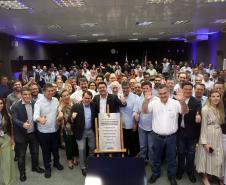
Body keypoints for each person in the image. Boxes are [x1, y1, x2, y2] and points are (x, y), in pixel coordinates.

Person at [142, 84, 189, 185]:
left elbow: (185, 111)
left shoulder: (175, 103)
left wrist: (182, 101)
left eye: (165, 93)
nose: (163, 95)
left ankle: (171, 176)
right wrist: (146, 100)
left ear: (169, 92)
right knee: (155, 157)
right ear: (158, 94)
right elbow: (144, 111)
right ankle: (155, 173)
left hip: (171, 137)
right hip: (156, 137)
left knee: (172, 158)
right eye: (160, 93)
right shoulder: (154, 103)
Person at [11, 87, 44, 181]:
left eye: (29, 94)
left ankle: (35, 167)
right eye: (25, 94)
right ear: (21, 95)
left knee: (35, 152)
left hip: (33, 133)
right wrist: (22, 124)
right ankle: (22, 173)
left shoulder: (34, 104)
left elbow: (37, 115)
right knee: (21, 155)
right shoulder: (16, 106)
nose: (27, 96)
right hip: (21, 135)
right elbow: (14, 119)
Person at [33, 83, 64, 178]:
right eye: (49, 91)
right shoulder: (39, 102)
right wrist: (40, 119)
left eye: (52, 91)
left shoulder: (55, 100)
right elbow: (35, 116)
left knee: (55, 148)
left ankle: (56, 162)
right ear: (44, 92)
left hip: (55, 130)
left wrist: (60, 113)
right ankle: (47, 167)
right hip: (43, 132)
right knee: (46, 151)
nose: (51, 92)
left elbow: (59, 109)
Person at [195, 90, 225, 185]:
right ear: (209, 98)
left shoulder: (220, 109)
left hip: (218, 135)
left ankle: (213, 174)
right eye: (213, 96)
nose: (216, 98)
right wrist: (205, 143)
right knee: (205, 157)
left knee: (217, 156)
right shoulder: (205, 109)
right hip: (207, 136)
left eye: (217, 96)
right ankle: (205, 177)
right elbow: (203, 127)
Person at [176, 82, 202, 183]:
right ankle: (180, 170)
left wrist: (198, 117)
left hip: (192, 133)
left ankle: (190, 172)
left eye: (190, 89)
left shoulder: (196, 102)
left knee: (191, 154)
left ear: (192, 90)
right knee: (181, 153)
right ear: (182, 89)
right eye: (185, 89)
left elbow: (198, 113)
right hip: (180, 132)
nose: (188, 91)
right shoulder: (175, 100)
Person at [70, 91, 96, 176]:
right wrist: (72, 118)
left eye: (89, 98)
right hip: (80, 131)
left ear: (91, 99)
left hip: (91, 130)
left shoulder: (94, 106)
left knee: (92, 147)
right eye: (85, 98)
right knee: (81, 149)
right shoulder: (76, 106)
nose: (87, 100)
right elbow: (69, 120)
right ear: (82, 98)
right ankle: (83, 167)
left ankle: (91, 162)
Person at [58, 90, 78, 169]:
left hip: (76, 127)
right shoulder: (60, 107)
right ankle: (69, 160)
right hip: (67, 129)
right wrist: (60, 115)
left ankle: (75, 157)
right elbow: (59, 117)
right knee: (69, 144)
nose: (66, 97)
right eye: (64, 96)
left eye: (67, 95)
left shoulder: (74, 103)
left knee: (75, 143)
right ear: (62, 97)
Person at [120, 80, 139, 157]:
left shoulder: (135, 97)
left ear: (130, 88)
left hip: (132, 125)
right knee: (124, 145)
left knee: (133, 145)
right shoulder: (119, 97)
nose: (125, 90)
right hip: (122, 125)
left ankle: (133, 159)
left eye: (127, 88)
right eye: (124, 88)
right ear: (121, 88)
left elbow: (136, 111)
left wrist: (135, 124)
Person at [0, 98, 16, 185]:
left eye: (1, 103)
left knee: (7, 161)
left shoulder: (6, 115)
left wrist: (12, 140)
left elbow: (11, 128)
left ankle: (7, 182)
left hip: (5, 138)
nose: (0, 105)